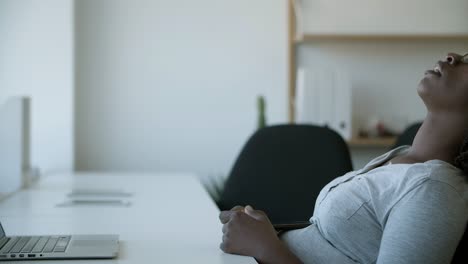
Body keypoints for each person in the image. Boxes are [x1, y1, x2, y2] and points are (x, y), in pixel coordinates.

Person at [219, 53, 468, 264]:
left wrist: (265, 248)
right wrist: (262, 229)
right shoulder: (404, 157)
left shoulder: (433, 191)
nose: (452, 56)